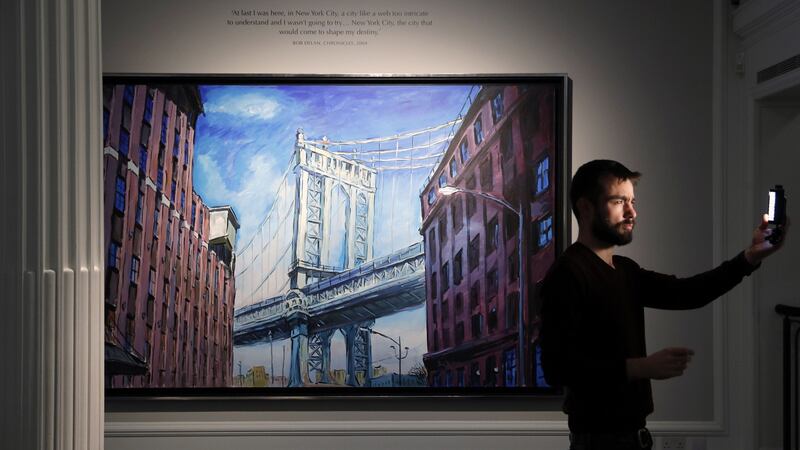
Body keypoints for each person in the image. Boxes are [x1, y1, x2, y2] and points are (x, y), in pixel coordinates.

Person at [540, 159, 789, 450]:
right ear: (585, 207)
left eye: (632, 201)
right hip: (598, 441)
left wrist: (751, 256)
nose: (632, 212)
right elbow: (557, 368)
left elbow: (688, 292)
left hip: (632, 437)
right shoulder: (567, 273)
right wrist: (641, 367)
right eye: (619, 201)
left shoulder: (625, 270)